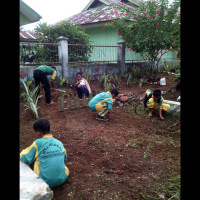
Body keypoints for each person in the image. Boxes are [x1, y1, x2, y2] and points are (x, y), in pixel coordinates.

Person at [20, 118, 69, 188]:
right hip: (62, 178)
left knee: (32, 158)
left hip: (43, 182)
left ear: (38, 133)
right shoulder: (59, 143)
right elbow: (64, 158)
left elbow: (24, 157)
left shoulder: (37, 143)